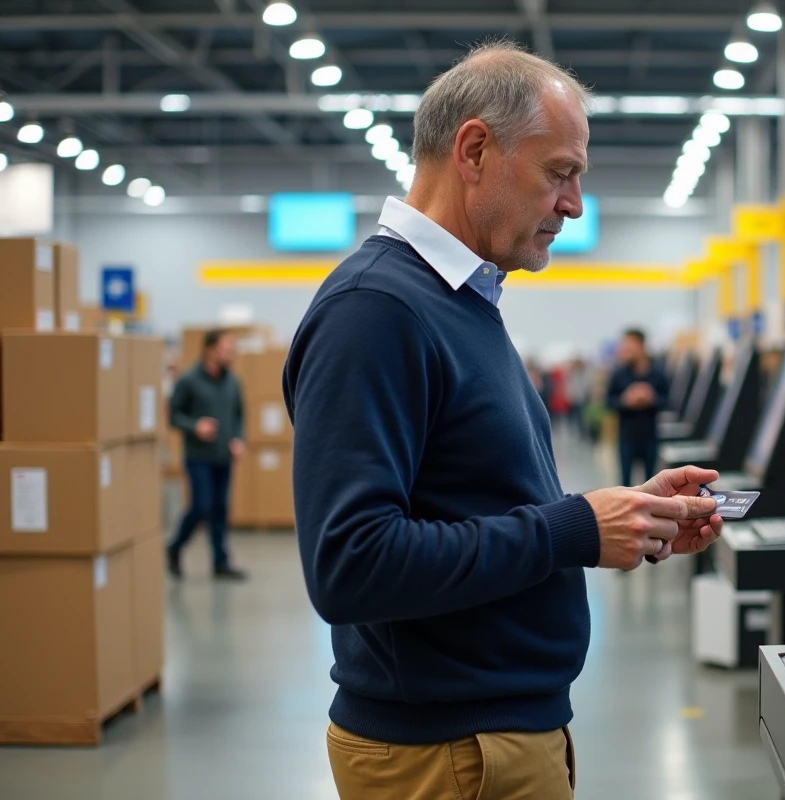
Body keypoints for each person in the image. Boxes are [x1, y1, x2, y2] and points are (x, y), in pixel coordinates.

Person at [282, 42, 723, 800]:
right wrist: (574, 529)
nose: (575, 204)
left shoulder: (458, 302)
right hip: (449, 752)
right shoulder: (376, 312)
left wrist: (626, 517)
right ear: (476, 149)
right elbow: (349, 564)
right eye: (561, 173)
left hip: (488, 737)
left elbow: (473, 499)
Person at [167, 329, 247, 581]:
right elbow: (173, 416)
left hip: (224, 456)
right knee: (201, 507)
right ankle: (175, 547)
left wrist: (238, 439)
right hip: (198, 456)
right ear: (210, 350)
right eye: (227, 349)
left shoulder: (233, 381)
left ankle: (220, 562)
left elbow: (238, 416)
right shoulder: (189, 380)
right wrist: (195, 426)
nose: (231, 354)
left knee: (220, 509)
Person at [607, 329, 672, 487]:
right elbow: (609, 402)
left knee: (652, 483)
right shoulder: (619, 374)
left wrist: (650, 399)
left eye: (630, 345)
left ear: (642, 345)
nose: (626, 349)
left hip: (650, 437)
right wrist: (626, 400)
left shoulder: (658, 373)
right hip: (626, 438)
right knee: (625, 484)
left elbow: (667, 401)